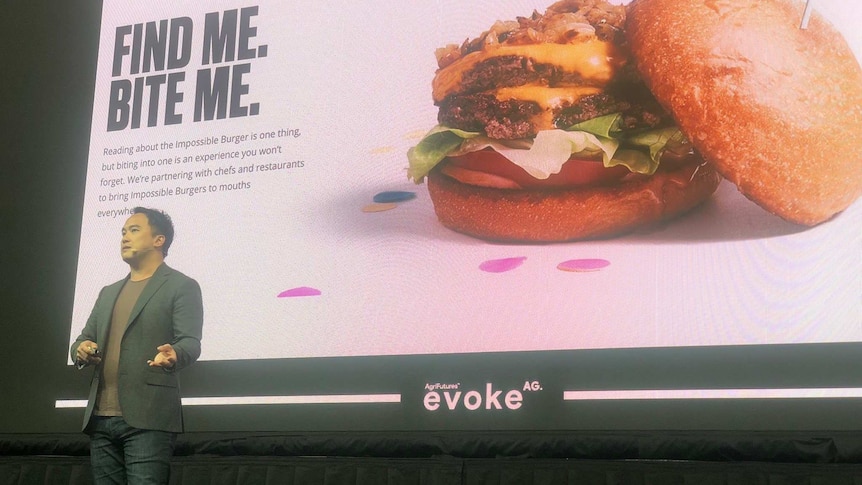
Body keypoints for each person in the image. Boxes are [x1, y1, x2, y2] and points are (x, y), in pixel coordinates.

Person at [71, 207, 203, 484]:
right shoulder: (108, 292)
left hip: (149, 417)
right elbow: (82, 338)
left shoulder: (181, 286)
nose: (124, 238)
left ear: (159, 240)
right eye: (122, 232)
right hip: (100, 418)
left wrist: (174, 354)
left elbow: (191, 342)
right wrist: (80, 349)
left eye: (133, 230)